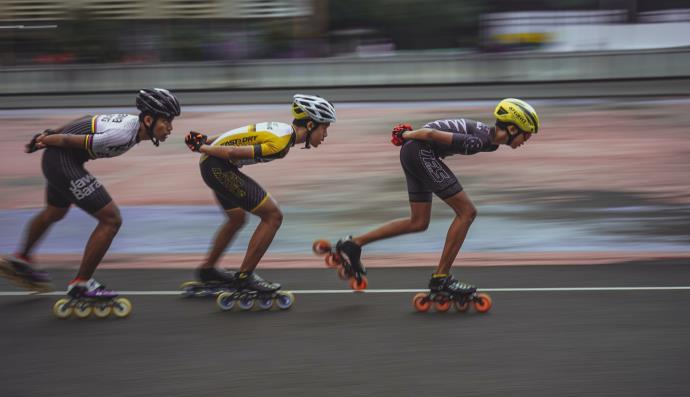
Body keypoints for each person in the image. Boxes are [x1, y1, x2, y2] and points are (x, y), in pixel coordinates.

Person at [327, 98, 539, 297]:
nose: (526, 140)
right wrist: (406, 135)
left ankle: (354, 244)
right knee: (467, 212)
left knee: (418, 222)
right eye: (526, 134)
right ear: (512, 128)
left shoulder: (489, 140)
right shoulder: (477, 141)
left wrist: (409, 139)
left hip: (415, 152)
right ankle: (441, 279)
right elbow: (431, 135)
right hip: (420, 150)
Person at [0, 88, 181, 299]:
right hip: (62, 160)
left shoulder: (132, 126)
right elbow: (68, 141)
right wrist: (46, 139)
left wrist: (50, 134)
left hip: (61, 160)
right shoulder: (122, 134)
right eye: (166, 121)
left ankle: (22, 259)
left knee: (54, 213)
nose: (170, 128)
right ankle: (81, 284)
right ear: (149, 120)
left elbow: (87, 119)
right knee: (111, 219)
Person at [184, 94, 336, 295]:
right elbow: (232, 153)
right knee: (273, 216)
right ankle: (245, 277)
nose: (325, 135)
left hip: (214, 165)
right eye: (324, 128)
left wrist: (206, 140)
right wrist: (202, 146)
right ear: (310, 125)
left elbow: (237, 134)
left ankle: (208, 271)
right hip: (218, 166)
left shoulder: (280, 129)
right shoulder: (280, 144)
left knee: (236, 218)